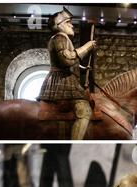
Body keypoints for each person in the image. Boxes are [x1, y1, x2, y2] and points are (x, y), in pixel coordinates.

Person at [38, 7, 96, 140]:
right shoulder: (59, 37)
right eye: (68, 22)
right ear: (59, 25)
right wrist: (87, 46)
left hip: (65, 78)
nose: (71, 25)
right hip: (61, 81)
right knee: (85, 112)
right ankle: (73, 146)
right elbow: (67, 60)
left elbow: (70, 62)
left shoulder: (62, 38)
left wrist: (82, 67)